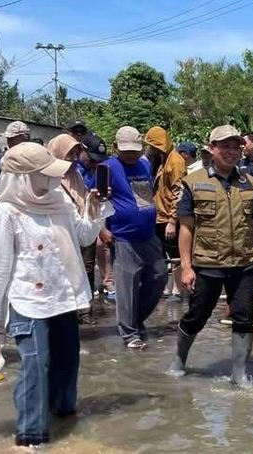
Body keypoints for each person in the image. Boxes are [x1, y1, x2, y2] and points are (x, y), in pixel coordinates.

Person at [0, 142, 111, 448]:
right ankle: (30, 437)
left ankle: (65, 422)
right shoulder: (9, 212)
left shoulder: (59, 201)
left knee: (67, 364)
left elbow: (83, 235)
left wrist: (95, 210)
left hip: (63, 296)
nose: (51, 180)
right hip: (28, 303)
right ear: (24, 178)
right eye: (43, 175)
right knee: (35, 368)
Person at [167, 125, 253, 388]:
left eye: (236, 146)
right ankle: (179, 359)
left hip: (242, 264)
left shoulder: (251, 183)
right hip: (207, 263)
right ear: (212, 148)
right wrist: (186, 267)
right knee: (197, 315)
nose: (231, 152)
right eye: (225, 146)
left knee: (244, 317)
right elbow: (186, 228)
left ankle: (239, 373)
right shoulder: (193, 182)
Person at [105, 126, 166, 350]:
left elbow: (144, 195)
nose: (131, 154)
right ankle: (130, 333)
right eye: (125, 150)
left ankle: (135, 318)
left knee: (160, 276)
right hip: (123, 236)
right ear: (115, 148)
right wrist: (103, 229)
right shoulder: (107, 168)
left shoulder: (144, 164)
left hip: (148, 234)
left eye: (134, 150)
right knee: (126, 285)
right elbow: (96, 201)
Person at [47, 134, 99, 325]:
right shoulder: (48, 182)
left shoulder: (76, 175)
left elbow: (82, 201)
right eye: (69, 154)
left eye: (76, 153)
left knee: (83, 270)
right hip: (57, 242)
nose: (73, 158)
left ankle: (84, 310)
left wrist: (92, 206)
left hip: (79, 228)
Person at [145, 126, 186, 303]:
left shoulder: (175, 161)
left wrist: (172, 219)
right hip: (159, 215)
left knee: (175, 253)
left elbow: (179, 191)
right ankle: (165, 288)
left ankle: (177, 290)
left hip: (169, 216)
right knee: (161, 254)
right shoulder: (161, 160)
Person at [77, 133, 115, 299]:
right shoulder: (74, 171)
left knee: (89, 264)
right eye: (91, 159)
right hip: (77, 221)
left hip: (93, 219)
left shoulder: (100, 170)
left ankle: (90, 298)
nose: (94, 163)